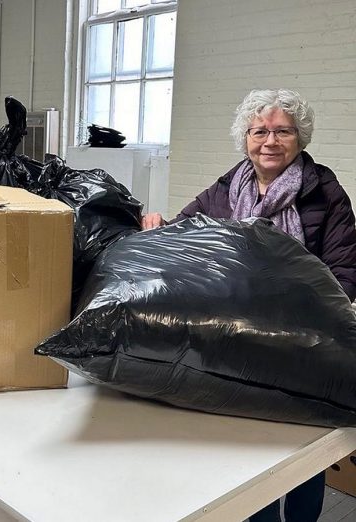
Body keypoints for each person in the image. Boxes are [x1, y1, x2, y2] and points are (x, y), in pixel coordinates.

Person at [142, 89, 356, 522]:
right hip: (237, 342)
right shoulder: (226, 188)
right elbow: (187, 232)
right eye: (260, 131)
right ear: (245, 138)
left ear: (300, 138)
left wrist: (292, 308)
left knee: (300, 454)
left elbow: (346, 271)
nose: (270, 141)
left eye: (283, 131)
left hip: (302, 344)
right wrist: (156, 225)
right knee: (246, 452)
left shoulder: (325, 193)